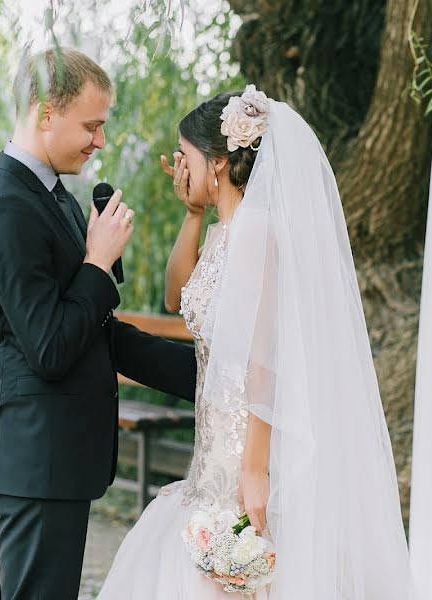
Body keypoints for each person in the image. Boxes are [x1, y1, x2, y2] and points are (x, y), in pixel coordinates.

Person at [96, 86, 415, 599]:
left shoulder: (259, 232)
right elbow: (177, 293)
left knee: (246, 562)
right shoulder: (227, 231)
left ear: (218, 162)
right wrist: (193, 213)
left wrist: (255, 469)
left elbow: (264, 359)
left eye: (187, 156)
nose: (179, 166)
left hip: (246, 440)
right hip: (215, 440)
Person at [0, 46, 197, 600]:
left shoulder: (52, 197)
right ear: (46, 114)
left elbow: (98, 331)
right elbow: (50, 347)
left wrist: (213, 378)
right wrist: (95, 261)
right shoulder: (7, 211)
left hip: (55, 456)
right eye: (92, 125)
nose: (100, 141)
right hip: (36, 455)